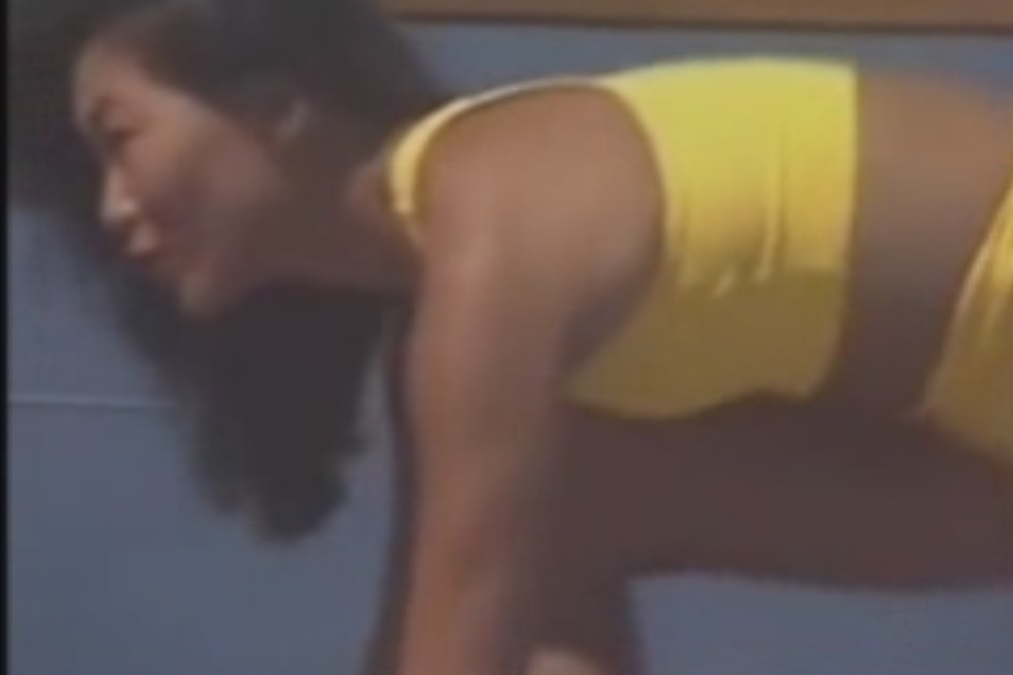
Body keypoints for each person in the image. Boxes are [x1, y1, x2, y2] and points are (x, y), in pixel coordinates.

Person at [10, 1, 1012, 674]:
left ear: (277, 107)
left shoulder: (493, 221)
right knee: (565, 508)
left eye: (121, 140)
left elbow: (458, 647)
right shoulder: (445, 314)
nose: (111, 207)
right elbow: (438, 629)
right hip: (979, 432)